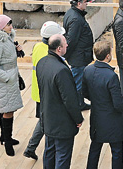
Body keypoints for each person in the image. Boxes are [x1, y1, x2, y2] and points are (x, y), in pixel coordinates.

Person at [36, 34, 83, 169]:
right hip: (62, 123)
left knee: (49, 152)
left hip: (48, 119)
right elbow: (69, 99)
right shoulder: (61, 70)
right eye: (64, 44)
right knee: (63, 155)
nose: (67, 45)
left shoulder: (42, 62)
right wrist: (78, 118)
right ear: (58, 49)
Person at [24, 21, 66, 161]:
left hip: (38, 91)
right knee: (44, 122)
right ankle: (31, 148)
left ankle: (31, 148)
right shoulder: (47, 52)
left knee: (43, 121)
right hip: (45, 94)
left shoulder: (37, 47)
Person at [83, 39, 123, 169]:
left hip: (97, 117)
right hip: (113, 119)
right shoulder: (111, 76)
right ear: (108, 56)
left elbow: (84, 92)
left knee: (95, 149)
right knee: (117, 151)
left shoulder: (88, 70)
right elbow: (118, 103)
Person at [0, 14, 24, 156]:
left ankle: (4, 136)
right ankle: (7, 142)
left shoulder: (7, 38)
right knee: (8, 110)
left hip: (10, 79)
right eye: (9, 24)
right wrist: (7, 78)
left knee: (5, 109)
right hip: (5, 82)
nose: (11, 27)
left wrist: (16, 51)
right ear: (2, 27)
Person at [63, 0, 94, 111]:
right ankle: (77, 105)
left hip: (79, 55)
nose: (87, 3)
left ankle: (80, 102)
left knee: (79, 81)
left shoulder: (72, 14)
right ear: (79, 3)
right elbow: (71, 40)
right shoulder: (76, 19)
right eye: (85, 1)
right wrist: (67, 55)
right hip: (79, 57)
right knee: (78, 82)